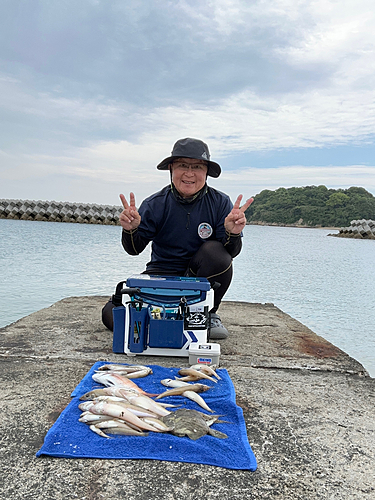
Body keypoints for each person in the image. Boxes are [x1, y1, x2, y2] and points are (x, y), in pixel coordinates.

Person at [102, 138, 253, 339]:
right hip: (160, 276)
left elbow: (230, 254)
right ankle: (172, 320)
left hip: (198, 280)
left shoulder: (220, 202)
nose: (189, 173)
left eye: (197, 167)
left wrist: (232, 234)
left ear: (206, 171)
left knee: (216, 252)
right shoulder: (155, 203)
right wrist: (131, 230)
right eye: (183, 165)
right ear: (171, 168)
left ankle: (208, 313)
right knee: (109, 315)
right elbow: (133, 249)